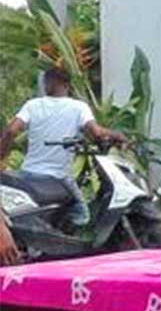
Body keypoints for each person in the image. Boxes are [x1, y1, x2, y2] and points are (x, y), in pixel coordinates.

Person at [0, 68, 126, 226]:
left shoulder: (32, 105)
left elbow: (11, 130)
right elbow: (97, 133)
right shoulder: (78, 107)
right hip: (59, 177)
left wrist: (1, 156)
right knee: (83, 214)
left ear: (46, 84)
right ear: (67, 85)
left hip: (29, 174)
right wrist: (118, 136)